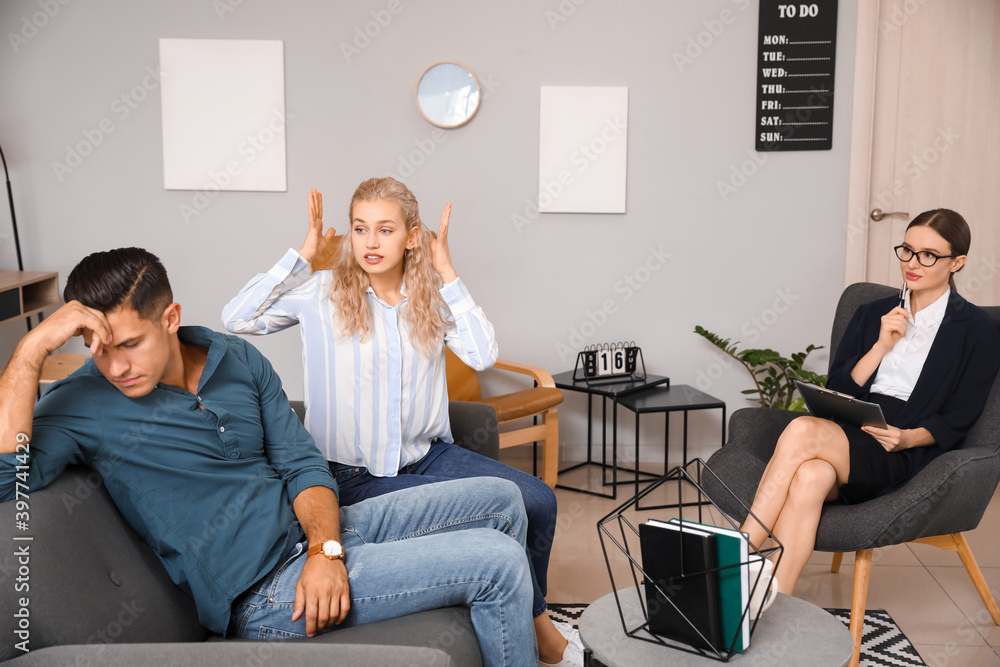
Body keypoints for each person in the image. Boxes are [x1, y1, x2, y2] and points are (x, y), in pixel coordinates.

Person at [0, 247, 537, 667]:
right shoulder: (82, 402)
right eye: (98, 346)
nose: (115, 366)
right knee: (499, 563)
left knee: (505, 499)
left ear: (170, 318)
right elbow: (6, 481)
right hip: (264, 594)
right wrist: (29, 353)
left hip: (316, 539)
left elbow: (301, 464)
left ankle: (529, 639)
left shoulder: (235, 358)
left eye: (129, 343)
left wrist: (325, 550)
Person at [222, 178, 580, 667]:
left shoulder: (429, 297)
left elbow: (482, 354)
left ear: (412, 236)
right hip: (351, 476)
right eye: (360, 228)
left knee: (537, 499)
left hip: (427, 456)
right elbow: (237, 317)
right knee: (488, 530)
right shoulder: (321, 292)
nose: (370, 241)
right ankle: (541, 633)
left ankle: (530, 619)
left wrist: (447, 270)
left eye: (385, 229)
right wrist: (304, 255)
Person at [742, 209, 1000, 595]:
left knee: (801, 428)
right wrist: (881, 346)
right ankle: (766, 604)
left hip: (902, 446)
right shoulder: (871, 313)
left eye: (929, 255)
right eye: (907, 251)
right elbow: (838, 389)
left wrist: (907, 438)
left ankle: (737, 550)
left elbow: (961, 415)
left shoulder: (978, 329)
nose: (913, 264)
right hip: (847, 430)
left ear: (957, 263)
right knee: (811, 477)